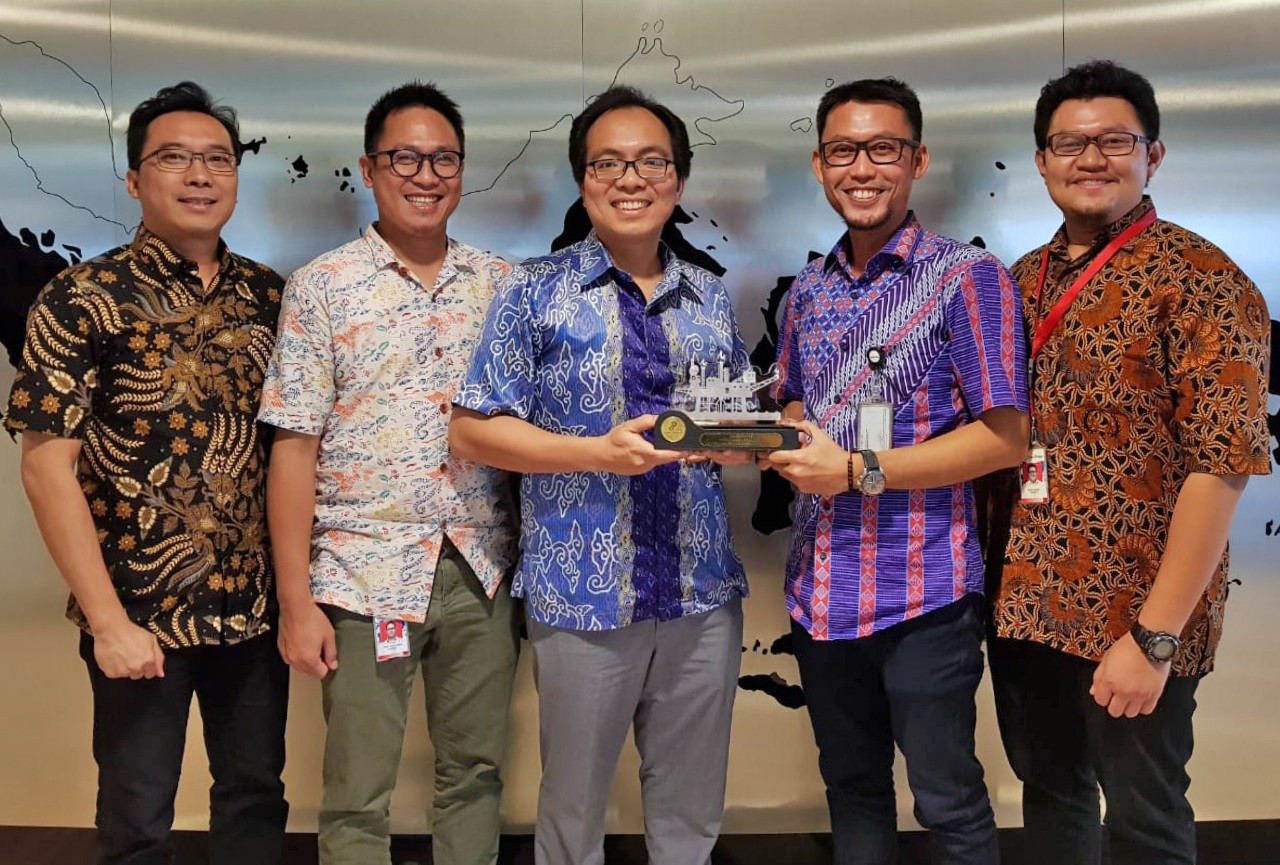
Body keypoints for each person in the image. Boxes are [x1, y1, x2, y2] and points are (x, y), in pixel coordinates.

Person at [449, 85, 749, 865]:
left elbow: (735, 420)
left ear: (678, 181)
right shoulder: (532, 290)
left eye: (652, 161)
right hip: (582, 595)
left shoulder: (710, 295)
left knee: (690, 808)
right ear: (583, 180)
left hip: (700, 590)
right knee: (572, 808)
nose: (630, 177)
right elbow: (473, 427)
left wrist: (744, 441)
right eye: (608, 162)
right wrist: (596, 452)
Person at [988, 59, 1271, 865]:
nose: (1090, 158)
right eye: (1068, 143)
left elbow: (1224, 465)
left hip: (1133, 612)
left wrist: (1154, 637)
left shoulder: (1204, 279)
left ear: (1154, 154)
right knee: (1050, 794)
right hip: (1025, 604)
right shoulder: (1021, 280)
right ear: (1041, 160)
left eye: (1114, 140)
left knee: (1145, 817)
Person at [5, 81, 288, 865]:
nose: (200, 176)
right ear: (134, 179)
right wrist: (107, 622)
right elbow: (45, 468)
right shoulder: (80, 297)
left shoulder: (272, 297)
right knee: (136, 815)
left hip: (255, 609)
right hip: (138, 610)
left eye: (218, 160)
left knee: (256, 797)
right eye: (175, 158)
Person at [760, 77, 1028, 865]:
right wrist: (769, 436)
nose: (863, 168)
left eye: (883, 149)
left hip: (926, 593)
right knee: (851, 786)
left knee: (947, 798)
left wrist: (855, 470)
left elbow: (1005, 439)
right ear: (818, 163)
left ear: (917, 160)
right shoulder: (807, 289)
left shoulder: (966, 278)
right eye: (845, 150)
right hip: (820, 595)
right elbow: (794, 405)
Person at [258, 81, 519, 865]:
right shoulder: (322, 287)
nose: (425, 174)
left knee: (474, 773)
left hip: (481, 570)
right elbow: (293, 448)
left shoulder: (502, 286)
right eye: (405, 157)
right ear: (370, 169)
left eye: (444, 158)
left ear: (463, 172)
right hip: (361, 578)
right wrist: (296, 602)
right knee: (356, 788)